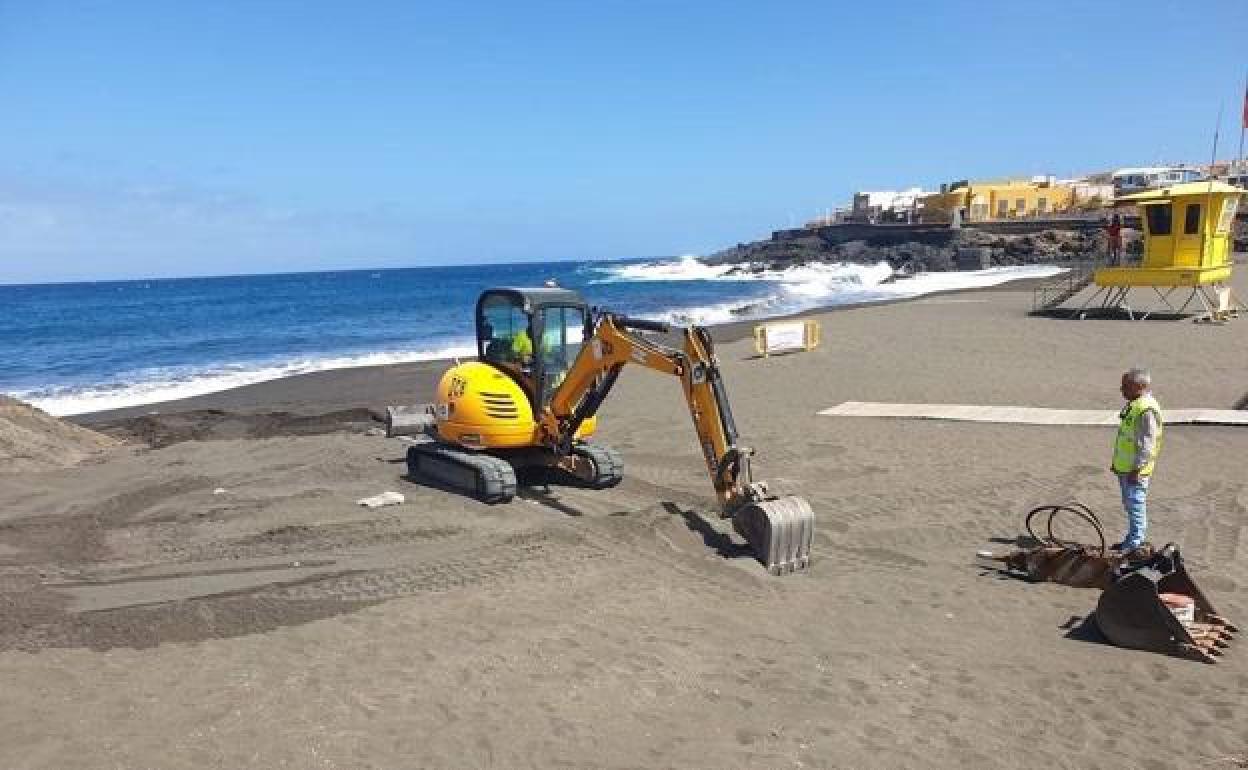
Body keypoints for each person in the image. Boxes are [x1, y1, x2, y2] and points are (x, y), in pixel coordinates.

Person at [1110, 368, 1164, 552]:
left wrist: (1136, 469)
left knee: (1135, 506)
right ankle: (1131, 540)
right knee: (1130, 504)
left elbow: (1147, 446)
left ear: (1139, 386)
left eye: (1125, 386)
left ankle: (1134, 545)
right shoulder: (1136, 405)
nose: (1121, 389)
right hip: (1126, 469)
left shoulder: (1146, 410)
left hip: (1135, 472)